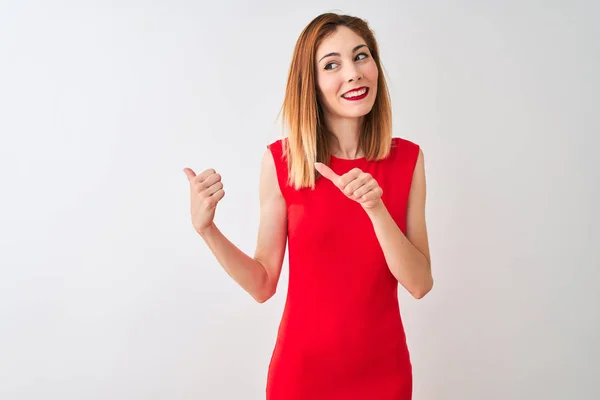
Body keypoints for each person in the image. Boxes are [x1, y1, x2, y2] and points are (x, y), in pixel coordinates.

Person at [183, 12, 432, 400]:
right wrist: (207, 230)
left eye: (361, 56)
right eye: (332, 65)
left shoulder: (408, 161)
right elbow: (263, 283)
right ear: (311, 83)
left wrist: (375, 208)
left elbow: (419, 284)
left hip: (384, 376)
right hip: (301, 377)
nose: (353, 73)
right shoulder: (283, 162)